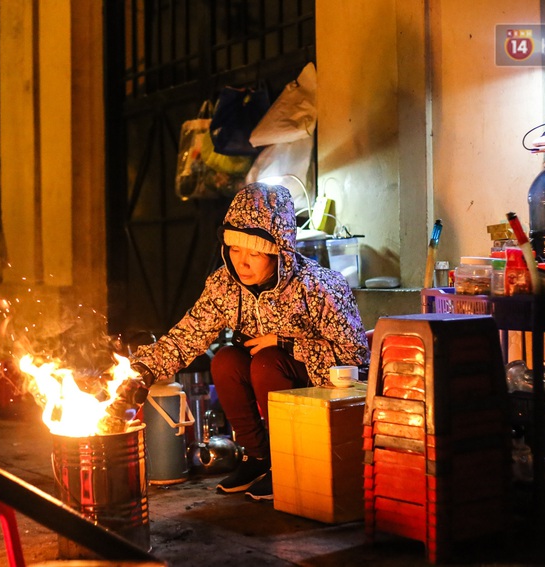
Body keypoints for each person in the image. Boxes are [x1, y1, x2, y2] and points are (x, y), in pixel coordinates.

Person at [129, 182, 370, 501]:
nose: (241, 262)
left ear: (280, 252)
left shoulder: (319, 288)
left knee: (266, 362)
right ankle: (258, 458)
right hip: (267, 370)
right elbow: (188, 334)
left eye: (255, 253)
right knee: (226, 360)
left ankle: (287, 462)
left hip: (321, 388)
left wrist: (285, 343)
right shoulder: (224, 287)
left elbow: (355, 357)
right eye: (234, 249)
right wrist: (143, 369)